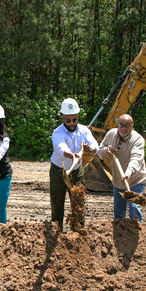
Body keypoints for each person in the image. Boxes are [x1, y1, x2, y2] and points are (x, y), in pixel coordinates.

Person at [50, 98, 98, 231]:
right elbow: (61, 147)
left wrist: (91, 149)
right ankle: (57, 231)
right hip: (59, 171)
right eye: (68, 120)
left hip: (77, 171)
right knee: (57, 203)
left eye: (74, 120)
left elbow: (95, 145)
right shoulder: (57, 133)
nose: (72, 123)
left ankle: (78, 231)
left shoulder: (83, 130)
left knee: (78, 203)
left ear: (77, 117)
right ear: (62, 118)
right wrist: (71, 155)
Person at [97, 114, 146, 222]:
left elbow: (136, 159)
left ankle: (138, 231)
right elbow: (100, 153)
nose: (123, 128)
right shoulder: (111, 134)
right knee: (118, 214)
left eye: (127, 125)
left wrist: (128, 173)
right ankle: (120, 235)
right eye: (121, 125)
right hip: (118, 180)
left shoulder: (137, 140)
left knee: (134, 208)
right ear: (117, 125)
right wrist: (107, 150)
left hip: (135, 180)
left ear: (132, 126)